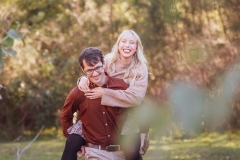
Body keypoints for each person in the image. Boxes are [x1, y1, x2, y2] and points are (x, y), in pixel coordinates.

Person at [76, 29, 149, 159]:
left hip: (129, 115)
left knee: (133, 153)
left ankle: (141, 138)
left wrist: (105, 93)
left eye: (131, 42)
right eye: (124, 41)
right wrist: (83, 79)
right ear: (118, 44)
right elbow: (94, 75)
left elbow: (137, 98)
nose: (127, 45)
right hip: (106, 112)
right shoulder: (108, 61)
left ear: (136, 47)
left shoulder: (141, 67)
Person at [60, 47, 130, 160]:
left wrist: (142, 136)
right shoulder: (79, 93)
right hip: (95, 153)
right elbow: (65, 116)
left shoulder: (121, 86)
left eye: (98, 67)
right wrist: (75, 142)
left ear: (104, 63)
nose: (95, 73)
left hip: (124, 153)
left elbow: (139, 108)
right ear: (83, 70)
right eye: (89, 70)